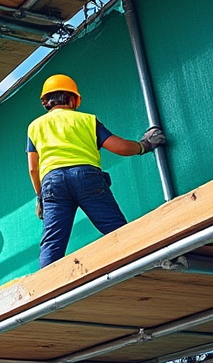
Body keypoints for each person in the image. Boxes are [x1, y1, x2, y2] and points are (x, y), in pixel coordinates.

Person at [28, 74, 166, 268]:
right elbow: (120, 147)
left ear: (46, 102)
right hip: (87, 177)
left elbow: (34, 168)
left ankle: (45, 293)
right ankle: (141, 265)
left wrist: (40, 197)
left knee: (52, 244)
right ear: (71, 98)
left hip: (52, 183)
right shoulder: (87, 120)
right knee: (116, 230)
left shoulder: (34, 127)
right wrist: (145, 145)